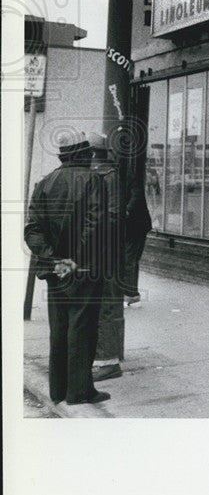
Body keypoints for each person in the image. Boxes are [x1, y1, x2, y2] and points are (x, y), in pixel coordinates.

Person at [24, 130, 111, 405]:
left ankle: (58, 389)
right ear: (83, 155)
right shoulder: (93, 181)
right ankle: (79, 391)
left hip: (55, 271)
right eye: (89, 154)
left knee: (59, 327)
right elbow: (95, 225)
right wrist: (75, 260)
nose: (91, 158)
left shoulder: (44, 183)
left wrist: (55, 260)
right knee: (82, 328)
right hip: (83, 269)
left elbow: (32, 231)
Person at [90, 132, 125, 382]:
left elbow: (112, 216)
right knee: (101, 305)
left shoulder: (107, 177)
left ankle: (109, 361)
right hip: (101, 249)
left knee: (106, 306)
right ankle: (104, 357)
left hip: (104, 251)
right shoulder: (103, 175)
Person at [120, 127, 152, 306]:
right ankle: (129, 292)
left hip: (136, 224)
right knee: (127, 258)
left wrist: (125, 211)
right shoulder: (121, 174)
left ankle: (131, 294)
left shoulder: (128, 175)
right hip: (129, 224)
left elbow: (137, 195)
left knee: (129, 259)